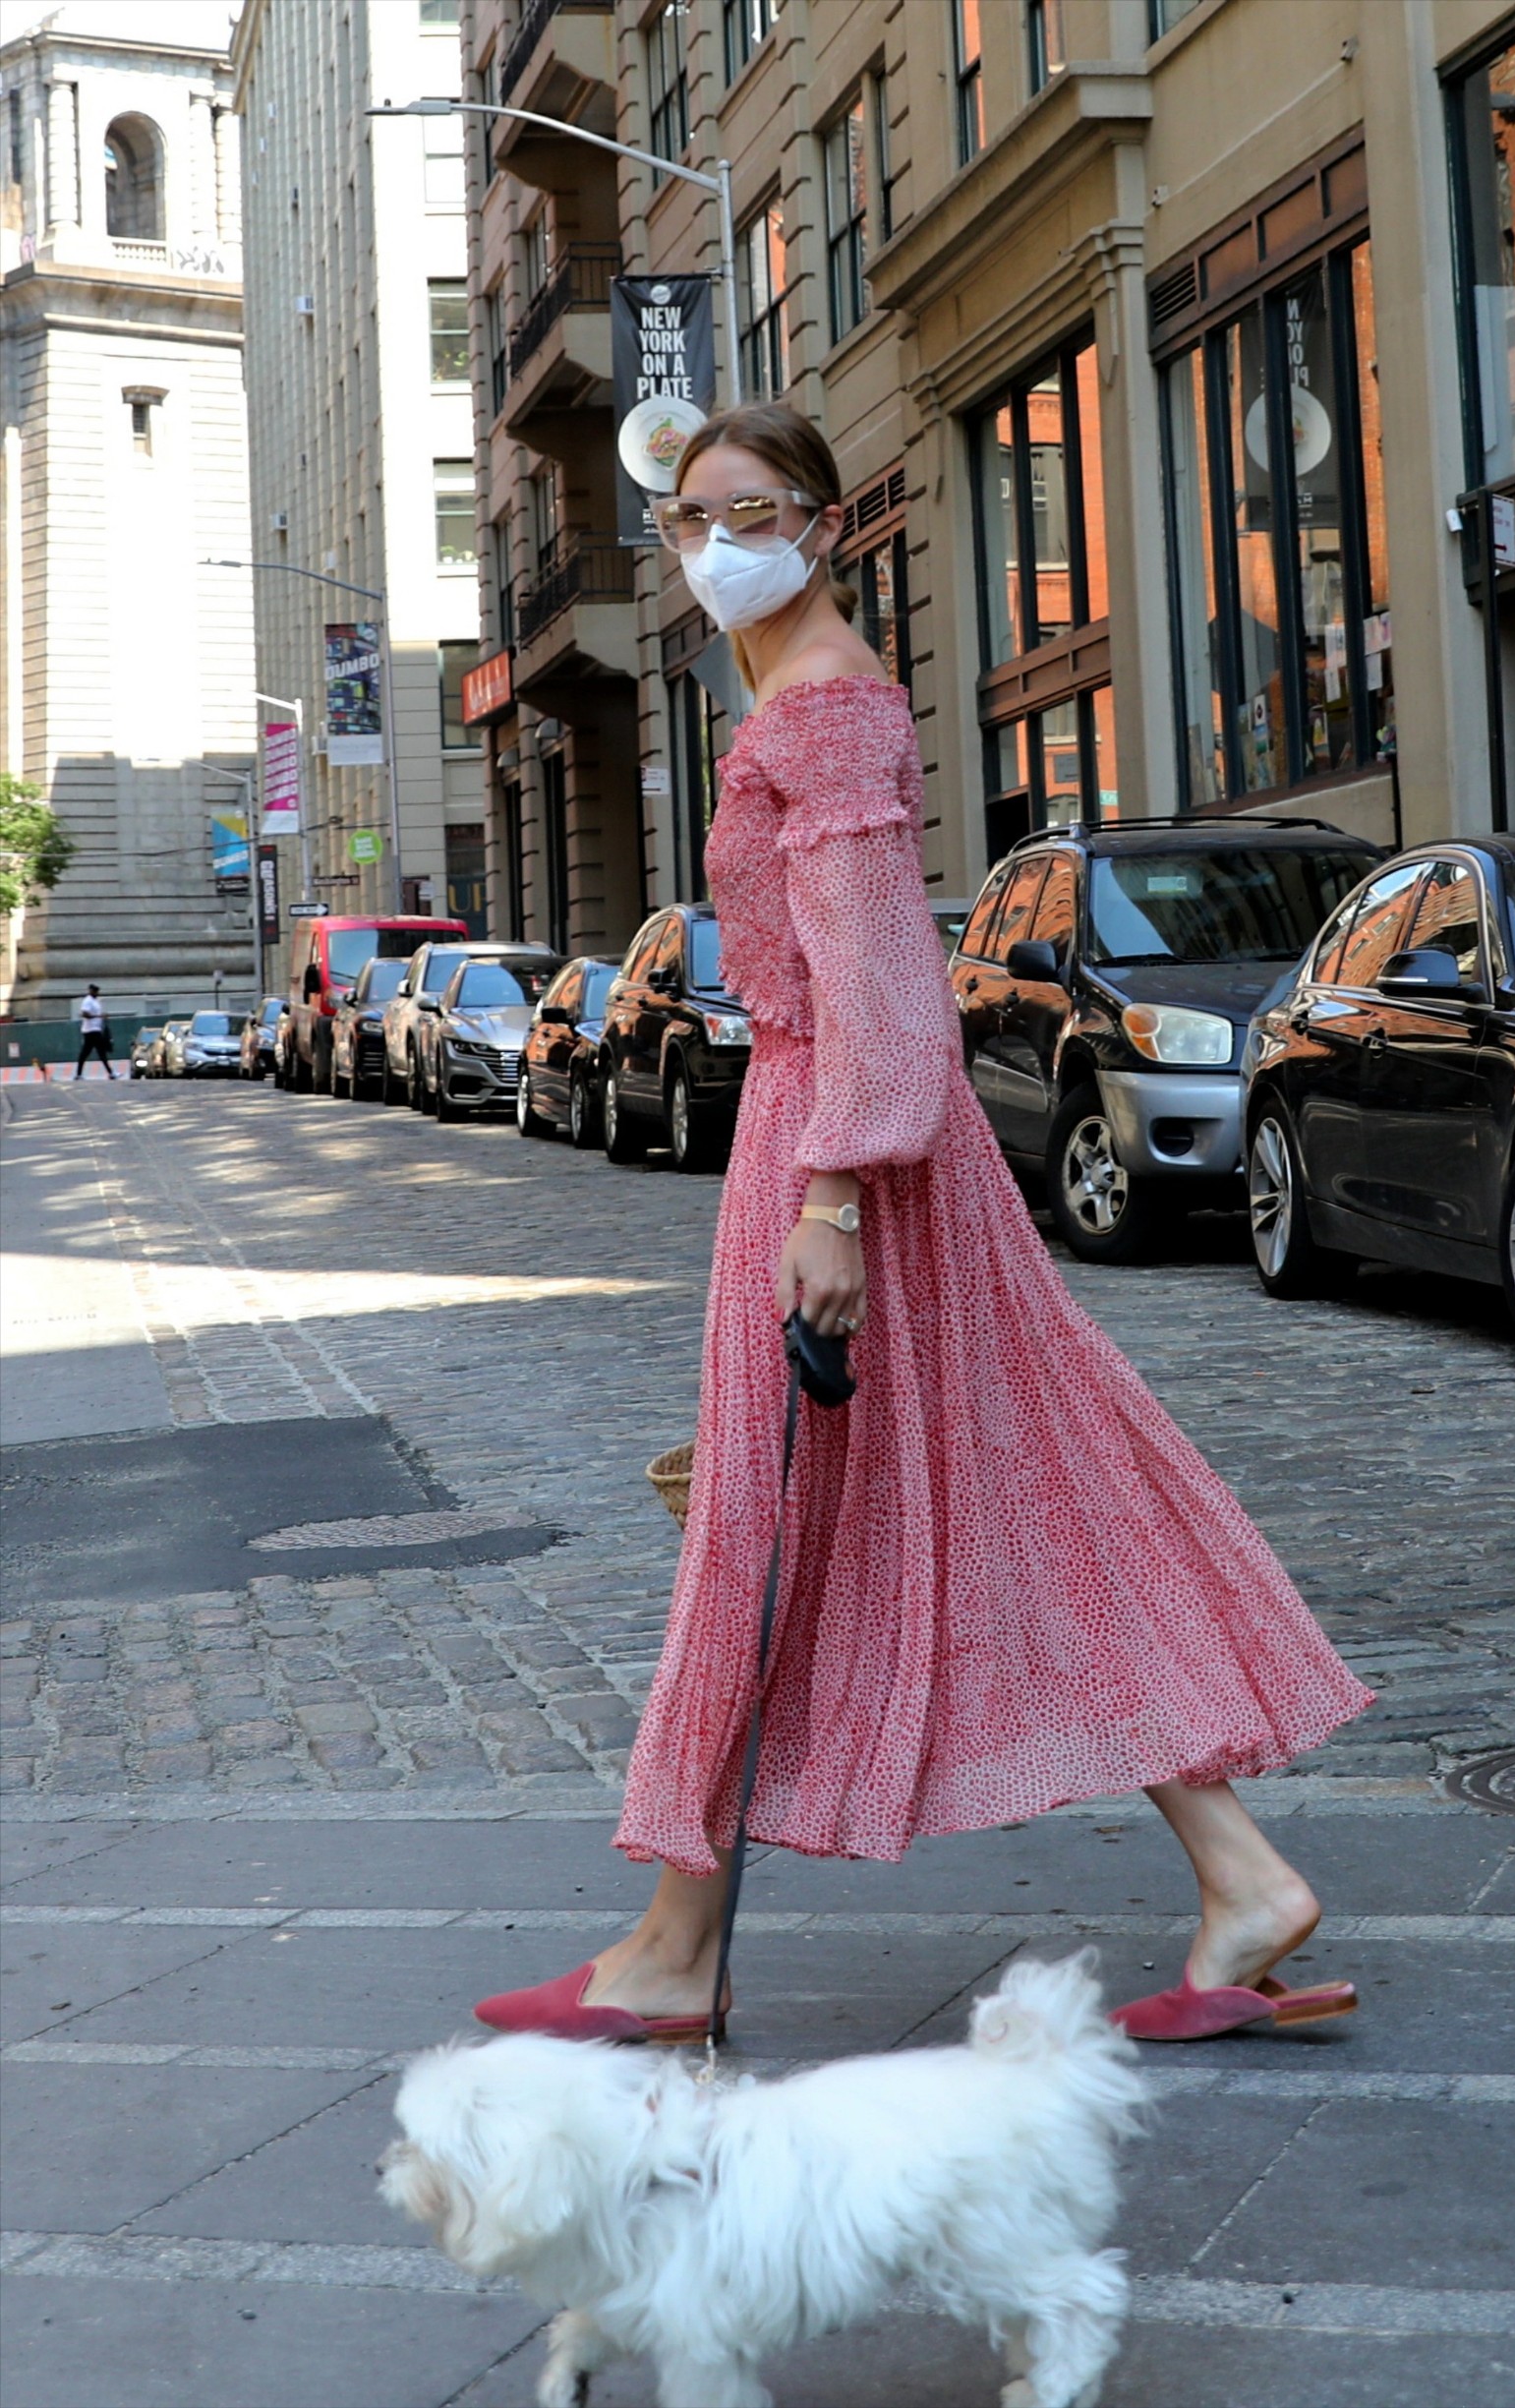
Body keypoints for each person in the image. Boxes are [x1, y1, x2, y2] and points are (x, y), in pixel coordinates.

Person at [476, 403, 1373, 2051]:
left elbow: (887, 984)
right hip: (857, 1140)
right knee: (1024, 1488)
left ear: (822, 524)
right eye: (688, 519)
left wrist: (833, 1199)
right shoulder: (794, 693)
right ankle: (1241, 1877)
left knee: (768, 1520)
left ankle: (674, 1948)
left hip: (844, 1154)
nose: (714, 543)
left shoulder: (821, 705)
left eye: (751, 510)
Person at [75, 984, 113, 1079]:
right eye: (95, 991)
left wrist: (101, 1016)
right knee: (99, 1052)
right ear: (91, 991)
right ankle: (111, 1073)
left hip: (96, 1029)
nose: (97, 993)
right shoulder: (87, 1001)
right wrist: (99, 1016)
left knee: (88, 1052)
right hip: (91, 1030)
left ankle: (79, 1074)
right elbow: (85, 1014)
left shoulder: (96, 1001)